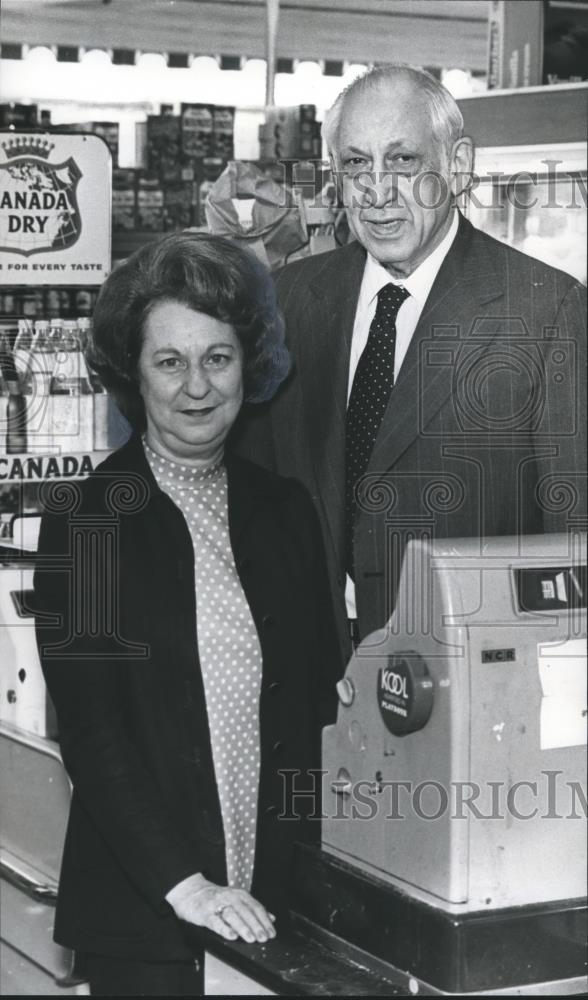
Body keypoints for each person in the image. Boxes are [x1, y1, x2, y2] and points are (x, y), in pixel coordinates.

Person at [33, 232, 341, 997]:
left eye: (218, 357)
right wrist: (189, 887)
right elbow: (94, 734)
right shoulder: (89, 518)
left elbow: (316, 708)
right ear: (133, 374)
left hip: (279, 907)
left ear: (249, 364)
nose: (196, 385)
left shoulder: (286, 512)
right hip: (147, 916)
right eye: (169, 361)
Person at [234, 65, 587, 658]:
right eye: (354, 164)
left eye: (401, 161)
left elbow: (574, 544)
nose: (376, 191)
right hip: (306, 671)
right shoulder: (289, 298)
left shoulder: (545, 310)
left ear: (458, 165)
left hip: (467, 678)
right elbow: (252, 492)